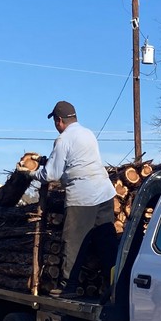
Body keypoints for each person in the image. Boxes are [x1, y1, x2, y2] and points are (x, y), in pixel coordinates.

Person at [30, 100, 118, 296]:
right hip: (105, 191)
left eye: (55, 121)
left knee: (72, 241)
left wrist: (31, 173)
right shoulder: (88, 134)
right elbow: (74, 161)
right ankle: (115, 284)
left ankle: (68, 286)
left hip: (83, 195)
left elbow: (51, 174)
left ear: (59, 120)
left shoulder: (63, 140)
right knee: (106, 240)